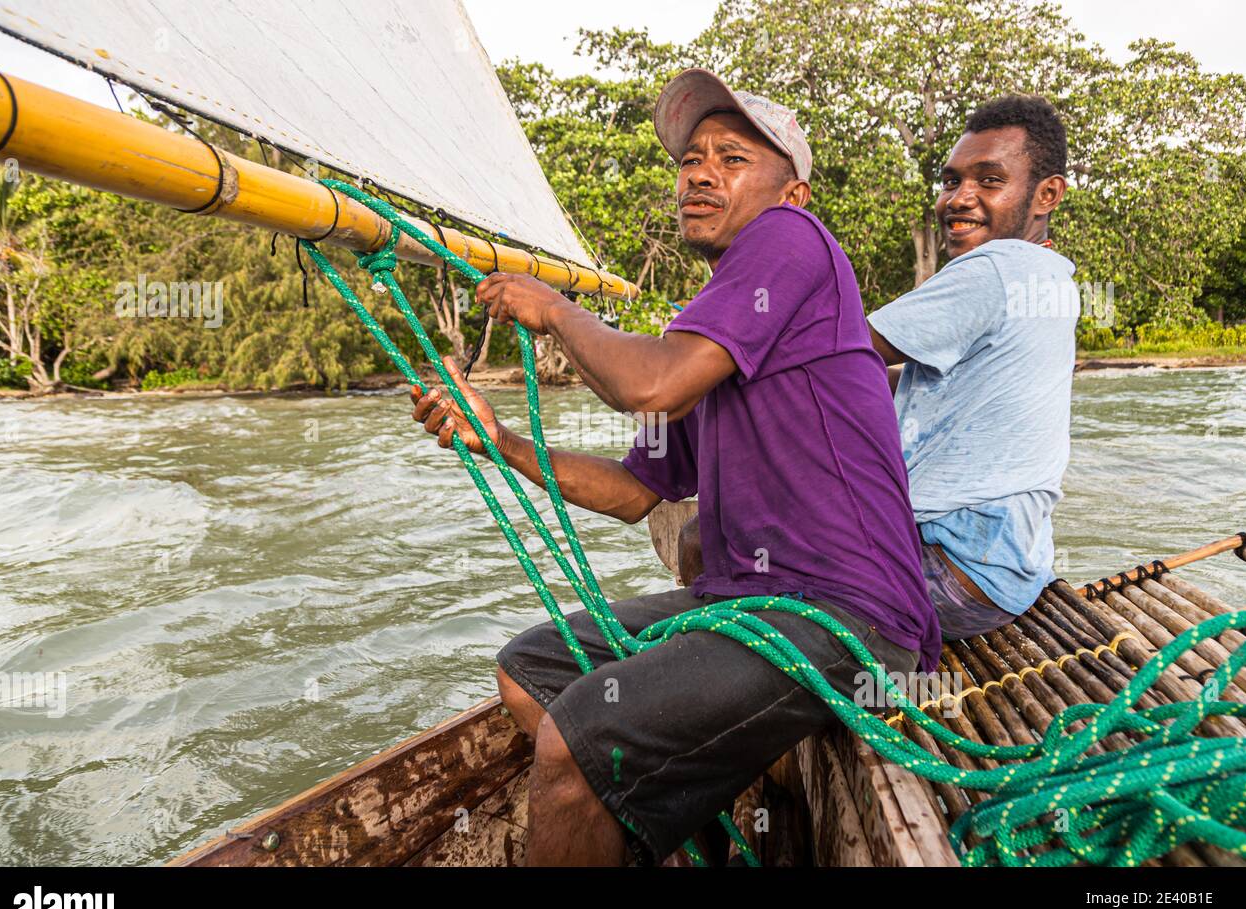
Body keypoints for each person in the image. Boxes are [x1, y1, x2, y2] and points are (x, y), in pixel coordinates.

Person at [410, 69, 938, 866]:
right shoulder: (716, 332)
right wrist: (499, 441)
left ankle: (606, 798)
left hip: (846, 614)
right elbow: (632, 494)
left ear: (791, 194)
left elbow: (646, 383)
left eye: (732, 158)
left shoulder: (792, 243)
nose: (698, 172)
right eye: (691, 158)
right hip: (750, 601)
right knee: (529, 670)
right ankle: (668, 831)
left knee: (568, 749)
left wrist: (555, 309)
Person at [678, 94, 1077, 642]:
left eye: (989, 181)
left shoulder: (996, 267)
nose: (960, 199)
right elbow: (872, 377)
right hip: (1009, 566)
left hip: (948, 566)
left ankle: (729, 675)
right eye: (951, 181)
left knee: (706, 537)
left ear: (1047, 194)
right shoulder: (1053, 278)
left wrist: (702, 356)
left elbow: (837, 346)